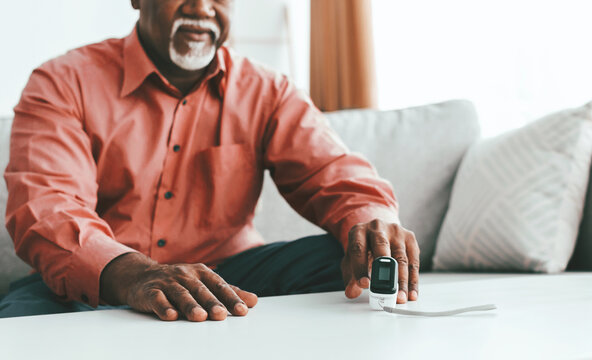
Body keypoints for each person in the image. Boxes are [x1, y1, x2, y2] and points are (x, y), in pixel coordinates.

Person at [0, 0, 420, 321]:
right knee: (20, 320)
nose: (202, 8)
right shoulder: (61, 82)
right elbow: (49, 207)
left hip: (231, 278)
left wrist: (372, 220)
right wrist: (135, 276)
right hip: (106, 282)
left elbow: (333, 172)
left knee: (344, 257)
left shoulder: (268, 91)